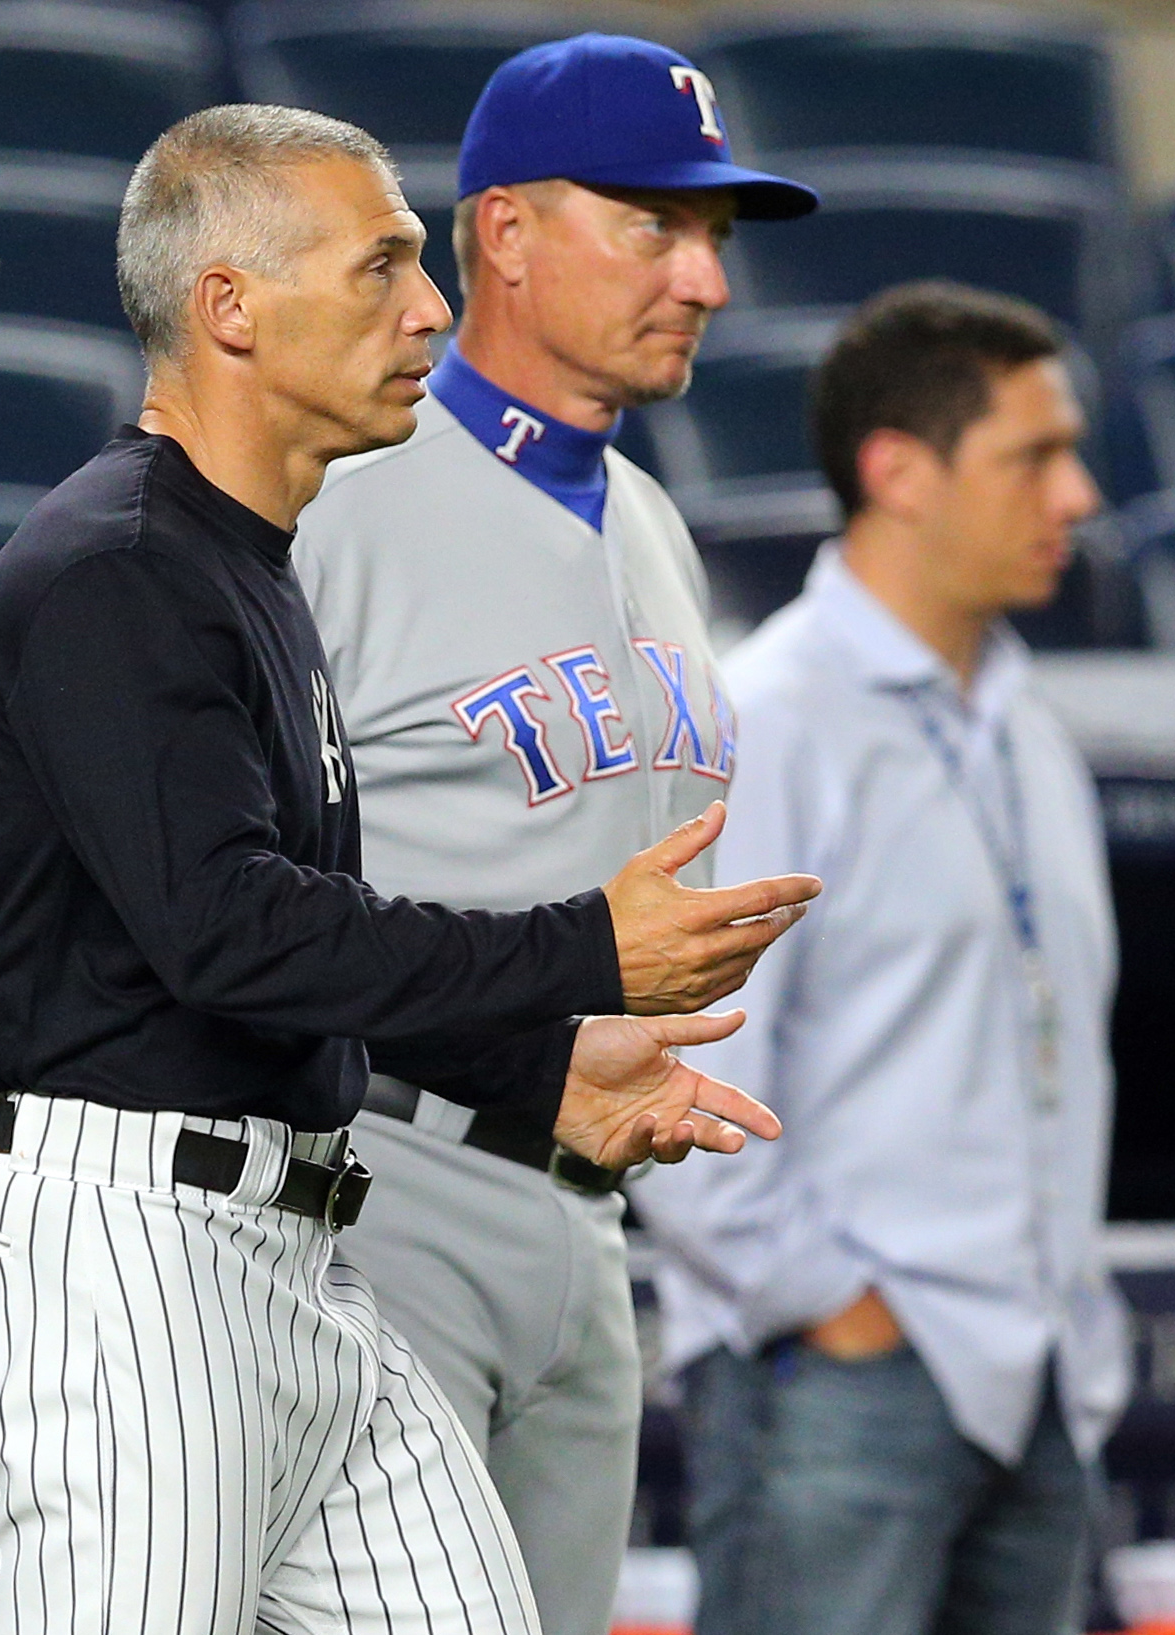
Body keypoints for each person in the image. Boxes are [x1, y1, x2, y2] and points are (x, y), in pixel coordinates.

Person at [0, 104, 821, 1635]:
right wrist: (583, 950)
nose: (431, 309)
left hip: (290, 1242)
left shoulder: (245, 560)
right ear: (231, 308)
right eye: (383, 267)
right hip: (118, 1252)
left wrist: (535, 1074)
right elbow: (233, 937)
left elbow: (281, 952)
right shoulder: (119, 567)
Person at [289, 34, 816, 1635]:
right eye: (656, 223)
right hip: (379, 1194)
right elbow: (213, 891)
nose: (705, 277)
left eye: (715, 235)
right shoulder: (341, 499)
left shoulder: (653, 523)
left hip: (589, 1231)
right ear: (505, 234)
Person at [634, 280, 1132, 1635]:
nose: (1078, 497)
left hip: (1034, 1379)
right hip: (838, 1379)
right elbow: (674, 1066)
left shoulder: (1033, 735)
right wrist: (837, 1309)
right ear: (899, 472)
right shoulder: (772, 718)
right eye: (1035, 456)